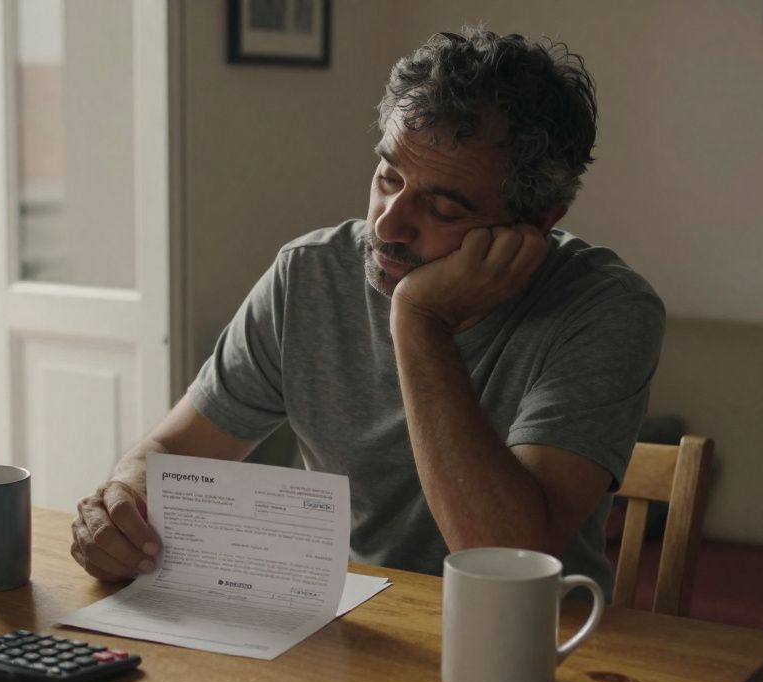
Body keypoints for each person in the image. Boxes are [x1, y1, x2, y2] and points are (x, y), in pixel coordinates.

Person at [69, 27, 664, 596]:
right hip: (351, 633)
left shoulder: (605, 310)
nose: (387, 223)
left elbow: (506, 557)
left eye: (443, 209)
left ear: (537, 222)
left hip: (534, 650)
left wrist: (417, 321)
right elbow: (172, 452)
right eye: (388, 175)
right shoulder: (308, 275)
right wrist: (123, 506)